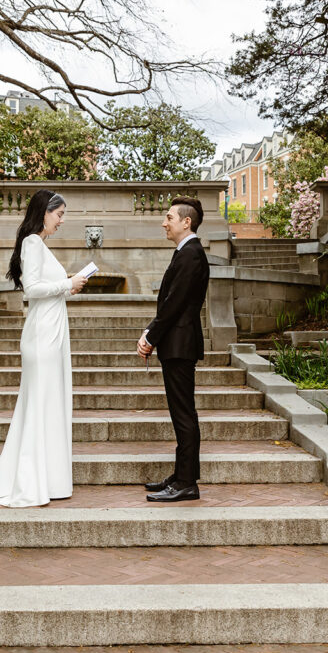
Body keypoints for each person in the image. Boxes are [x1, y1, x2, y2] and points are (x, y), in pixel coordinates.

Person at [0, 190, 88, 507]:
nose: (62, 221)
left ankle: (50, 479)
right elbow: (32, 289)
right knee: (41, 403)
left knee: (49, 403)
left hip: (51, 330)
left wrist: (68, 285)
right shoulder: (32, 243)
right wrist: (68, 283)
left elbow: (43, 287)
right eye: (59, 214)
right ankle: (34, 480)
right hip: (42, 335)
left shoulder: (39, 245)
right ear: (44, 212)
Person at [136, 196, 210, 502]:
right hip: (177, 343)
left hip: (180, 345)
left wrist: (151, 335)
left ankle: (186, 483)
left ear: (186, 222)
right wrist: (152, 333)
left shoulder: (191, 254)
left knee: (183, 414)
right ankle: (182, 476)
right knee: (181, 413)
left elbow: (175, 303)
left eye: (169, 217)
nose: (164, 223)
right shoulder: (186, 252)